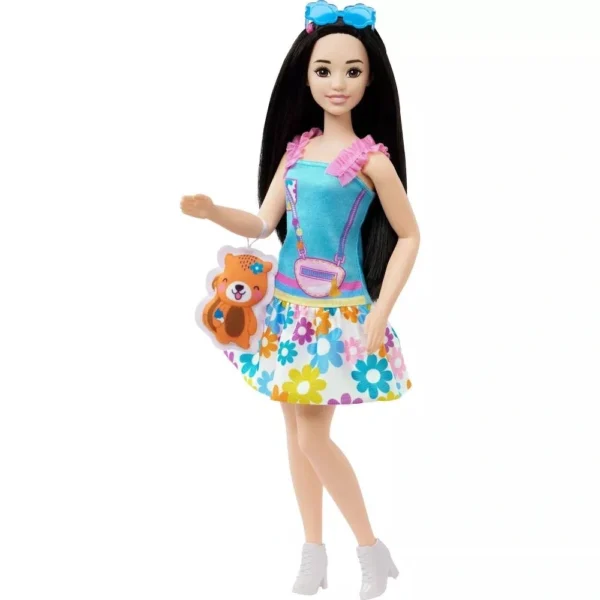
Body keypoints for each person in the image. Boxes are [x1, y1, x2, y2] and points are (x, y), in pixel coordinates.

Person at [180, 2, 420, 598]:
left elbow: (410, 235)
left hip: (336, 315)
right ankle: (314, 551)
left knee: (312, 436)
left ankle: (370, 547)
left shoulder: (372, 160)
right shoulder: (295, 150)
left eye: (352, 71)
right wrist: (214, 212)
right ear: (305, 76)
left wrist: (381, 311)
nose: (338, 83)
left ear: (370, 78)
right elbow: (263, 223)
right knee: (293, 434)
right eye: (324, 70)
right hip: (288, 312)